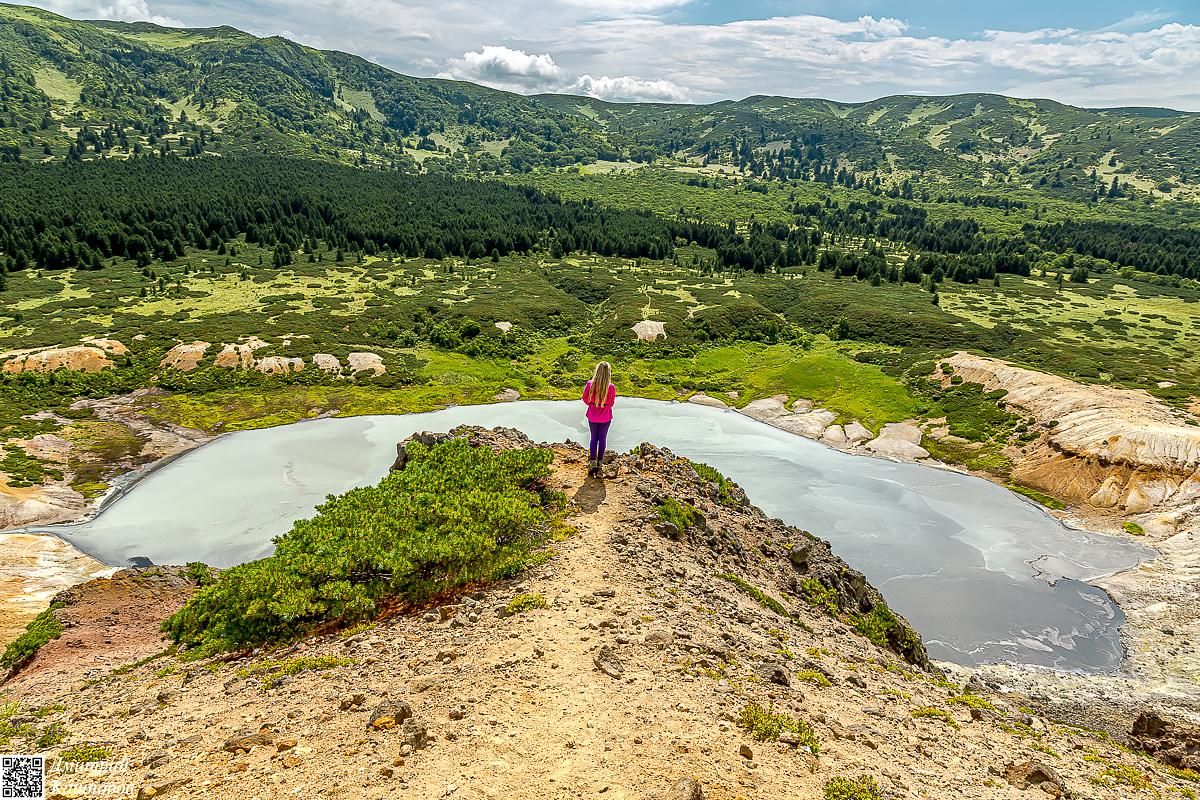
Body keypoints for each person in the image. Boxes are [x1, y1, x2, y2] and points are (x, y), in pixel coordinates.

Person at [581, 361, 616, 478]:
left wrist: (593, 405)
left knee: (593, 438)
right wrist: (603, 405)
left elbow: (585, 399)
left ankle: (592, 462)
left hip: (592, 415)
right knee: (602, 439)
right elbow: (611, 403)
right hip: (605, 416)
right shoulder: (611, 387)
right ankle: (600, 464)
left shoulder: (590, 384)